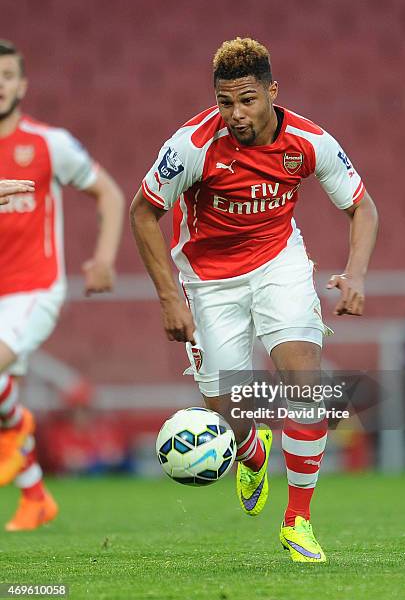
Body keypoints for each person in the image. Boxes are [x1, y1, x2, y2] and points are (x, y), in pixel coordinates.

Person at [130, 37, 378, 562]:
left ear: (272, 93)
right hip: (207, 278)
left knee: (305, 381)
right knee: (229, 411)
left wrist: (355, 274)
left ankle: (298, 521)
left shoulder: (310, 142)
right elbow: (142, 212)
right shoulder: (191, 145)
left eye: (248, 100)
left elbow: (363, 207)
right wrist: (169, 298)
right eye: (226, 102)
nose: (237, 114)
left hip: (277, 262)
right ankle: (250, 448)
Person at [0, 40, 124, 531]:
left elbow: (109, 193)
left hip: (34, 289)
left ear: (22, 85)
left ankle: (16, 434)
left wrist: (104, 257)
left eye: (7, 75)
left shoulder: (49, 143)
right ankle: (34, 495)